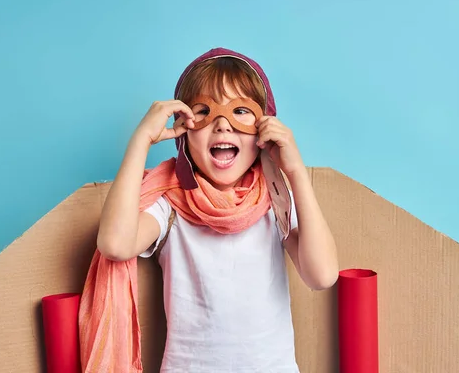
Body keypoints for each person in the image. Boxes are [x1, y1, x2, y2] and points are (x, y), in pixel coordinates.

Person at [79, 48, 339, 373]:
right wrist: (141, 140)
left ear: (264, 128)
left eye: (240, 111)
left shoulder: (274, 197)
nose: (222, 125)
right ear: (184, 132)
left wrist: (296, 171)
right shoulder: (171, 203)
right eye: (204, 111)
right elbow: (115, 245)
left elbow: (323, 275)